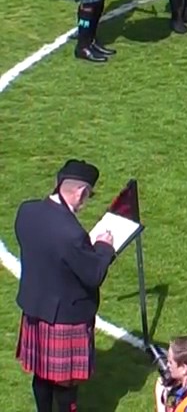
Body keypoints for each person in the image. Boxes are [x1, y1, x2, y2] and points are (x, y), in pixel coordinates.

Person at [14, 160, 118, 412]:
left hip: (35, 308)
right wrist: (104, 247)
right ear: (81, 192)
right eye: (88, 196)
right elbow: (93, 274)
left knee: (40, 374)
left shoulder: (26, 211)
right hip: (65, 316)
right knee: (66, 384)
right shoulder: (71, 233)